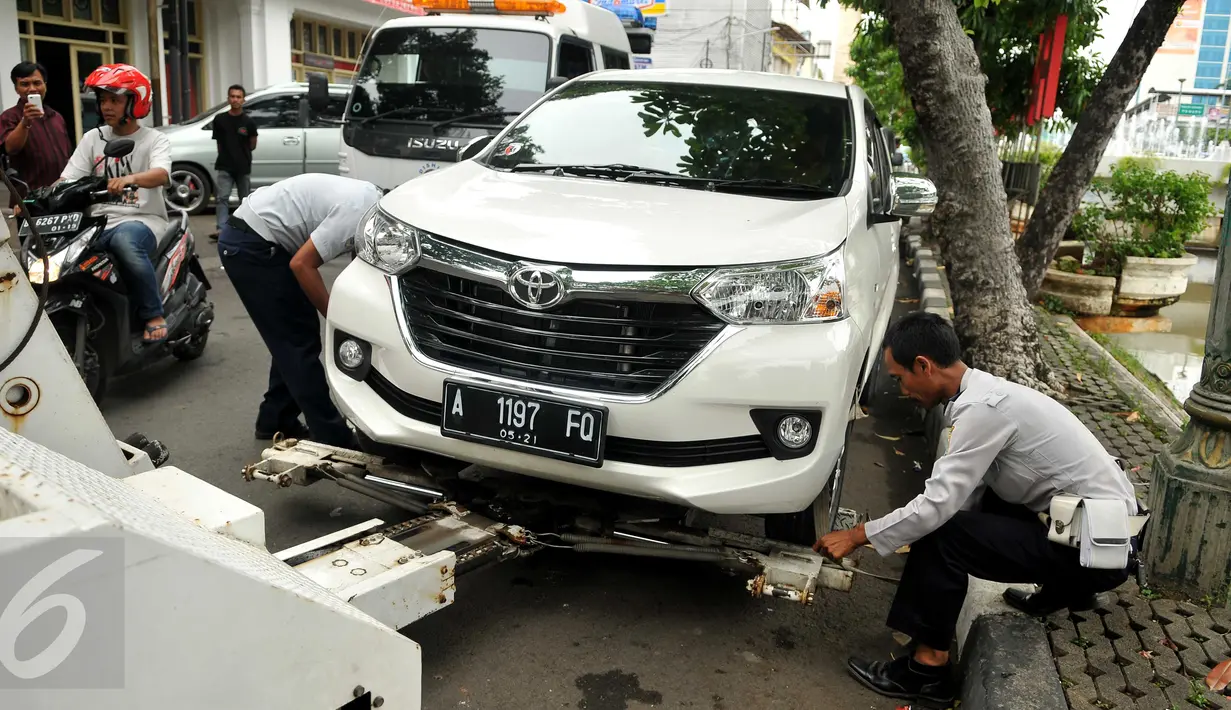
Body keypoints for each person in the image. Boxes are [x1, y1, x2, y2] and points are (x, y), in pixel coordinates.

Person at [817, 312, 1138, 707]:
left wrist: (857, 535)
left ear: (924, 365)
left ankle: (927, 670)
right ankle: (1066, 589)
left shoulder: (982, 410)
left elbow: (937, 507)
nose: (901, 389)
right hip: (1100, 535)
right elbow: (966, 494)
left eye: (900, 378)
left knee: (940, 533)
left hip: (1097, 551)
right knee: (961, 516)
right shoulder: (987, 393)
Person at [218, 173, 381, 445]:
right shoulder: (357, 212)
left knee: (293, 337)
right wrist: (336, 317)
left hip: (257, 237)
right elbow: (302, 264)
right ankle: (333, 436)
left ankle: (275, 418)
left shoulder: (371, 200)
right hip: (251, 246)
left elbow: (362, 267)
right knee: (298, 342)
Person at [59, 64, 172, 343]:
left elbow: (162, 173)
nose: (106, 106)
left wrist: (131, 178)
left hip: (142, 219)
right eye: (103, 99)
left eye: (115, 100)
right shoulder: (92, 139)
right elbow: (68, 178)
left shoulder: (153, 139)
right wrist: (36, 200)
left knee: (126, 244)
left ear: (135, 103)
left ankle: (152, 313)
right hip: (97, 222)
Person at [1, 62, 73, 211]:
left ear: (45, 85)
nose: (32, 88)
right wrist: (25, 122)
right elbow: (11, 148)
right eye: (25, 84)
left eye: (37, 83)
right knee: (34, 235)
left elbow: (68, 155)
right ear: (16, 88)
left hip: (62, 196)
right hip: (30, 201)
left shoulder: (56, 117)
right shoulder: (9, 117)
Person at [209, 84, 258, 241]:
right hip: (224, 165)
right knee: (222, 198)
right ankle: (221, 229)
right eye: (232, 96)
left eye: (238, 97)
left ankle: (243, 228)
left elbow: (253, 144)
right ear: (228, 98)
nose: (235, 99)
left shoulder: (248, 122)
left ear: (243, 100)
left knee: (244, 199)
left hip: (243, 166)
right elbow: (218, 143)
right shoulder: (220, 120)